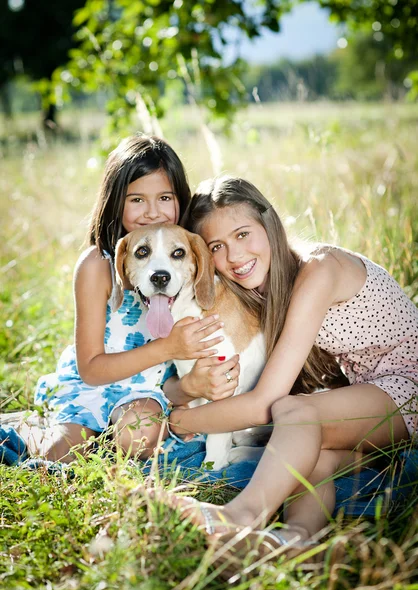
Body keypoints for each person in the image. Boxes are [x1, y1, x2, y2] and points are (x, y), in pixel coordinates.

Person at [153, 175, 418, 559]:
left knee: (297, 413)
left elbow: (265, 402)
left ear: (270, 224)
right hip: (369, 399)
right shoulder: (261, 289)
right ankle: (292, 542)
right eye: (217, 247)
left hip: (408, 387)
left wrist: (177, 422)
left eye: (243, 234)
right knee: (312, 452)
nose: (235, 256)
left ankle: (240, 516)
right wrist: (183, 388)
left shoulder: (320, 270)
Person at [26, 135, 239, 463]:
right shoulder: (98, 265)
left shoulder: (184, 264)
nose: (153, 213)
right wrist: (167, 347)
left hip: (148, 392)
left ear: (180, 200)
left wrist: (190, 388)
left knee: (138, 435)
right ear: (115, 201)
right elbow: (91, 370)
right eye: (136, 199)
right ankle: (39, 429)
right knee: (58, 454)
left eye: (165, 197)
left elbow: (173, 373)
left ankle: (111, 448)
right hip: (90, 385)